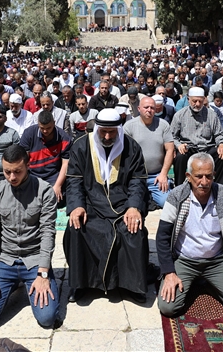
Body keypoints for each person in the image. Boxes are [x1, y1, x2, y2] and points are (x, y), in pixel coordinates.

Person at [64, 108, 149, 303]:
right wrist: (77, 205)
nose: (108, 136)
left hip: (123, 206)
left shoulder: (131, 146)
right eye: (103, 132)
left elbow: (138, 180)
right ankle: (80, 284)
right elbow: (74, 180)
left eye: (112, 132)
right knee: (76, 228)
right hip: (91, 205)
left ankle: (133, 286)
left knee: (133, 229)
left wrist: (134, 206)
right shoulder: (81, 146)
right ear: (97, 129)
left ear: (119, 129)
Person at [156, 153, 223, 318]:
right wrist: (169, 272)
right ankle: (194, 281)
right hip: (184, 260)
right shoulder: (177, 196)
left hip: (217, 261)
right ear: (188, 176)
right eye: (198, 176)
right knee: (168, 307)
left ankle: (209, 282)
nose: (204, 182)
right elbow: (162, 236)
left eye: (208, 176)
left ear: (214, 175)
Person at [0, 144, 59, 328]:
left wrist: (43, 274)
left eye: (17, 171)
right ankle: (11, 284)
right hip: (6, 260)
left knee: (47, 318)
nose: (12, 177)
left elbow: (48, 233)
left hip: (35, 260)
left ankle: (30, 282)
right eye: (7, 172)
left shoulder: (44, 191)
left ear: (28, 165)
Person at [123, 96, 175, 209]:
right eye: (146, 107)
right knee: (131, 204)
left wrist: (163, 174)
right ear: (139, 109)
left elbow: (170, 149)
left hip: (156, 176)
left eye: (152, 107)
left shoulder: (163, 125)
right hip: (135, 176)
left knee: (168, 203)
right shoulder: (128, 126)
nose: (149, 110)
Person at [171, 87, 223, 186]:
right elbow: (172, 136)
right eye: (194, 101)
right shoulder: (180, 115)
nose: (197, 104)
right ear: (188, 99)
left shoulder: (211, 115)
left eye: (200, 101)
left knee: (222, 155)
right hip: (188, 148)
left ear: (204, 100)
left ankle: (220, 188)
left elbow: (219, 134)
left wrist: (221, 144)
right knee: (180, 157)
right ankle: (179, 187)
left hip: (207, 148)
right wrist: (178, 145)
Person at [19, 110, 72, 209]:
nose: (45, 131)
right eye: (42, 128)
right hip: (32, 174)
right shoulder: (29, 134)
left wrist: (58, 186)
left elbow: (65, 164)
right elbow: (23, 161)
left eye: (48, 128)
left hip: (52, 176)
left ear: (54, 123)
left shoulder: (64, 138)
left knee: (58, 200)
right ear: (38, 124)